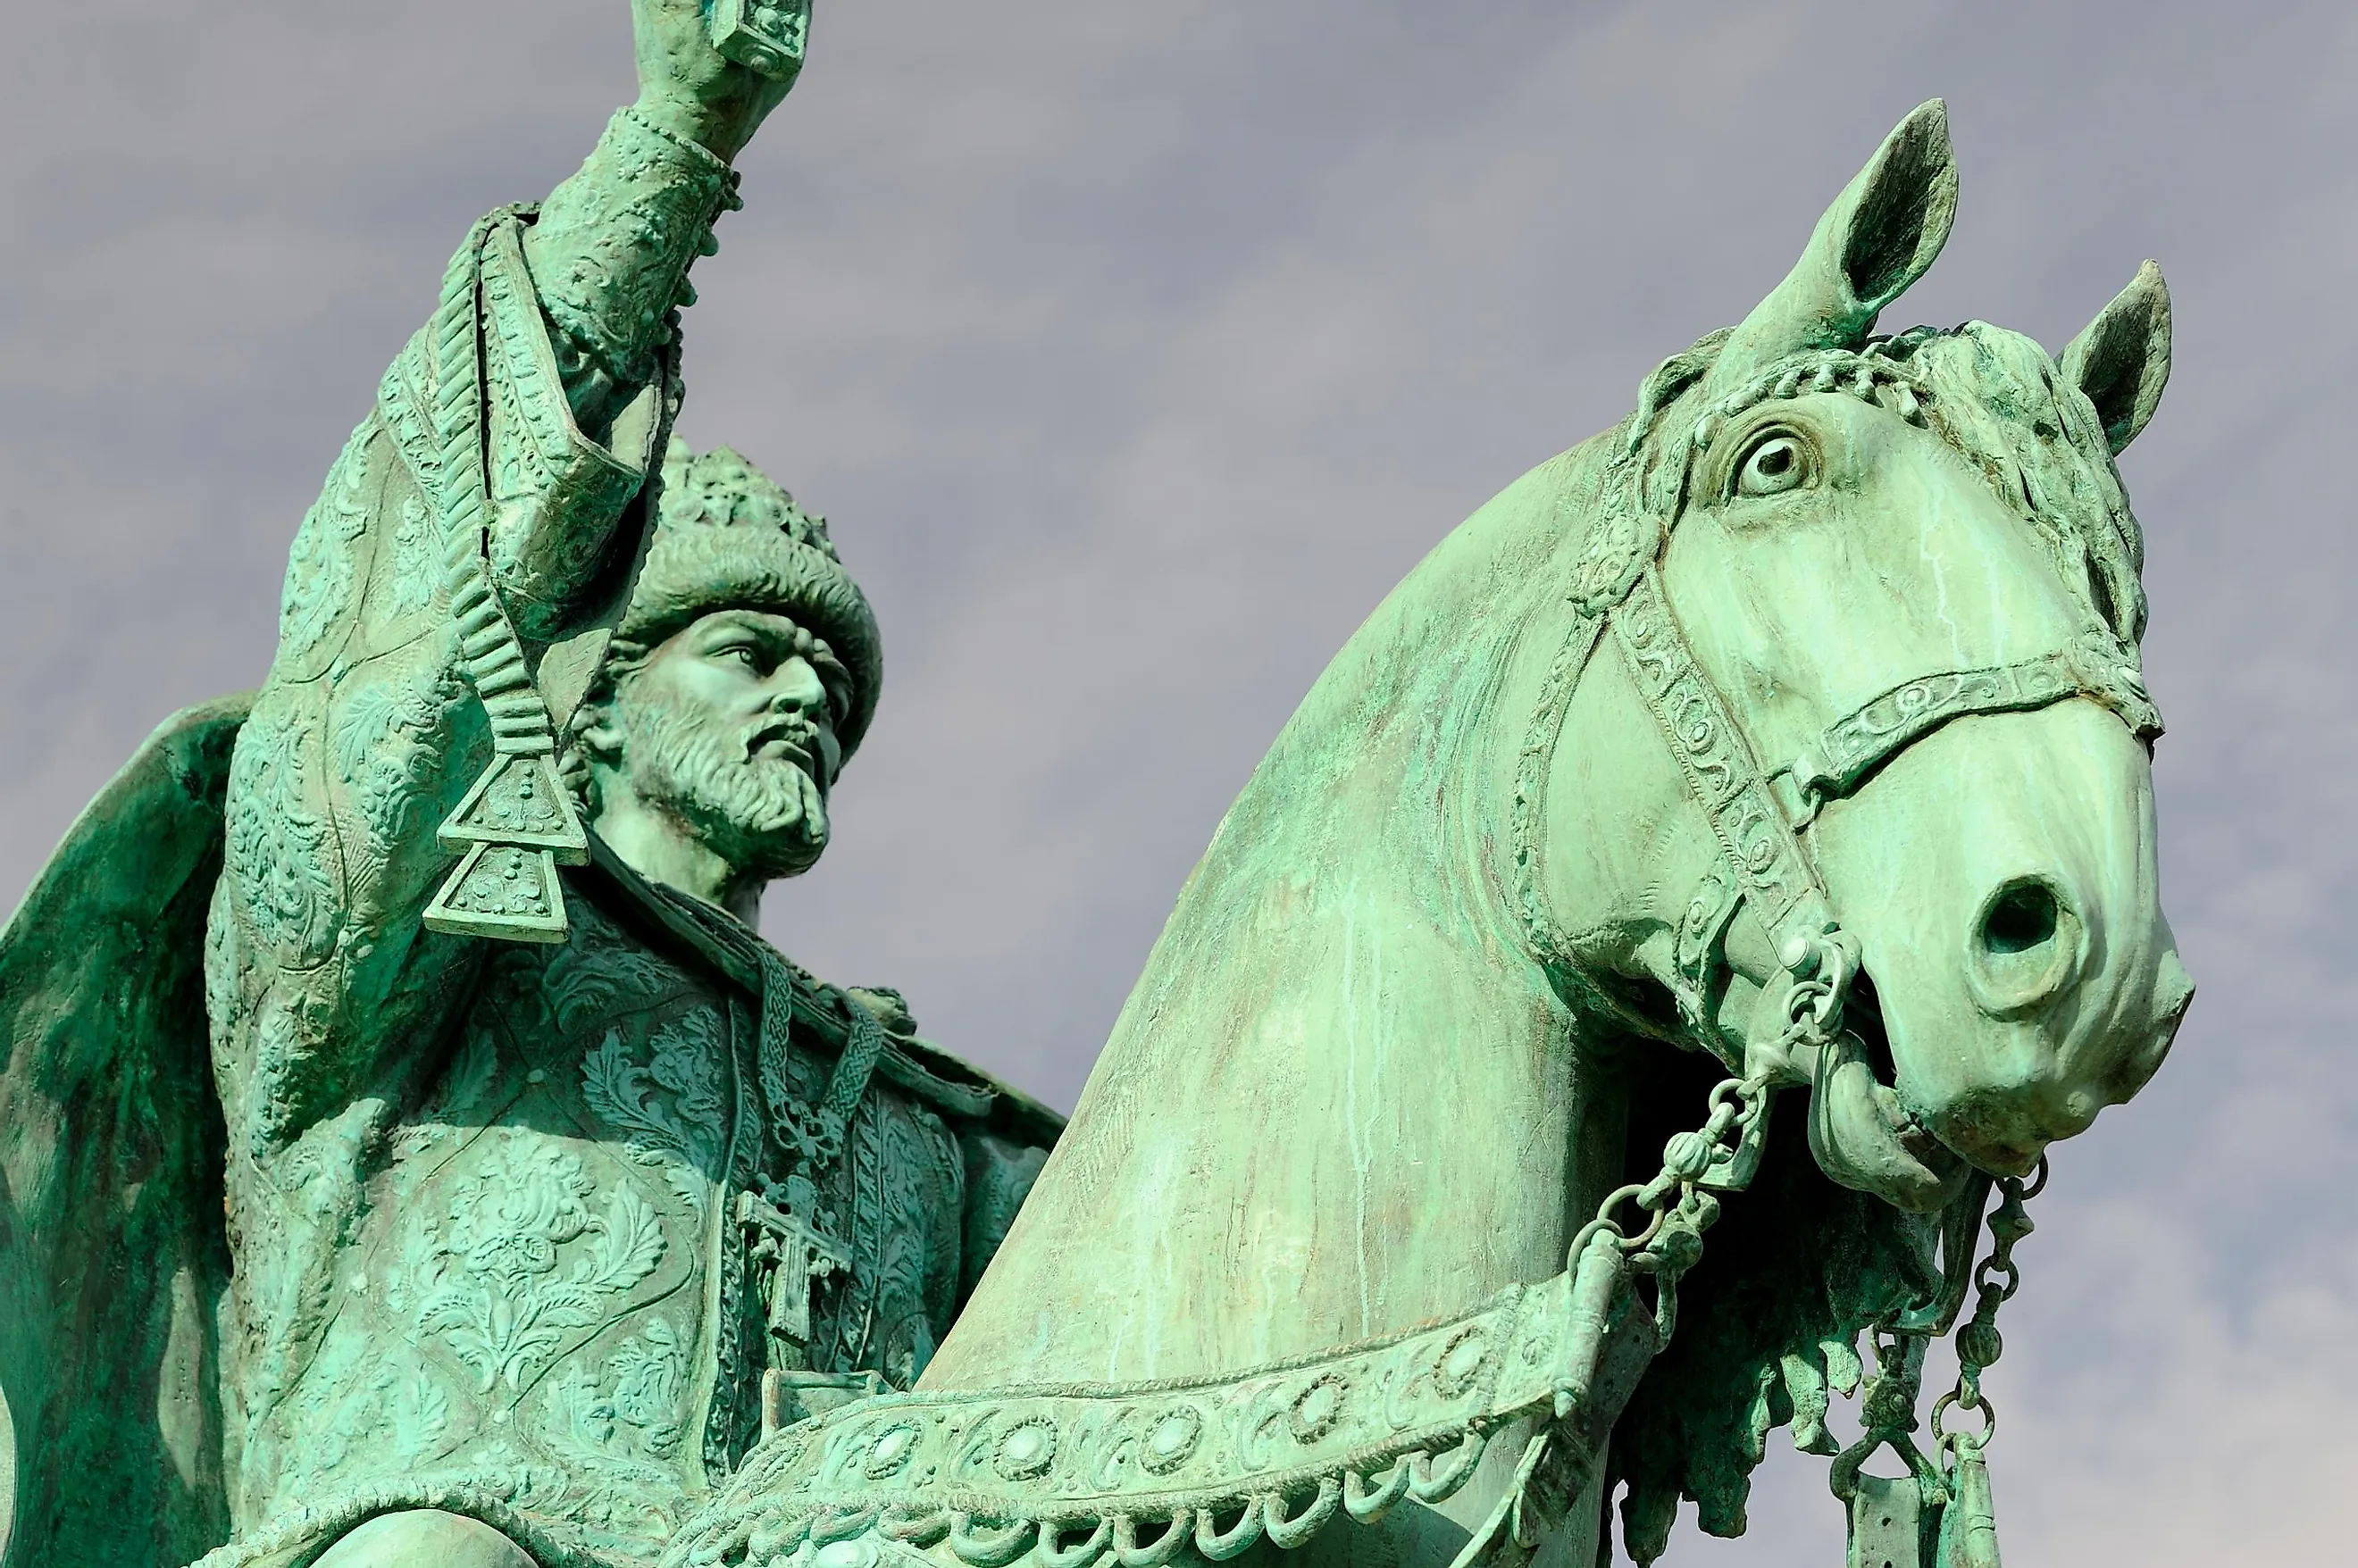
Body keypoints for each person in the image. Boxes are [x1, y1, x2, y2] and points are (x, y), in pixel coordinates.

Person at [0, 5, 1056, 1565]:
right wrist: (677, 144)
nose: (807, 698)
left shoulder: (924, 1122)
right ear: (599, 699)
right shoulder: (414, 947)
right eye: (750, 651)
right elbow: (435, 578)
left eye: (835, 681)